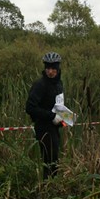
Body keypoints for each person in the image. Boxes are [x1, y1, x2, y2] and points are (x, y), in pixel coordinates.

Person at [26, 51, 65, 180]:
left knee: (55, 160)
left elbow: (58, 104)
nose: (50, 71)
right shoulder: (40, 85)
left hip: (55, 128)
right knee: (48, 161)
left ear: (58, 68)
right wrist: (51, 116)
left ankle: (53, 187)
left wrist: (64, 117)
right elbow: (30, 108)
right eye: (48, 68)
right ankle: (46, 188)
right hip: (43, 128)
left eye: (53, 68)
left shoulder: (59, 84)